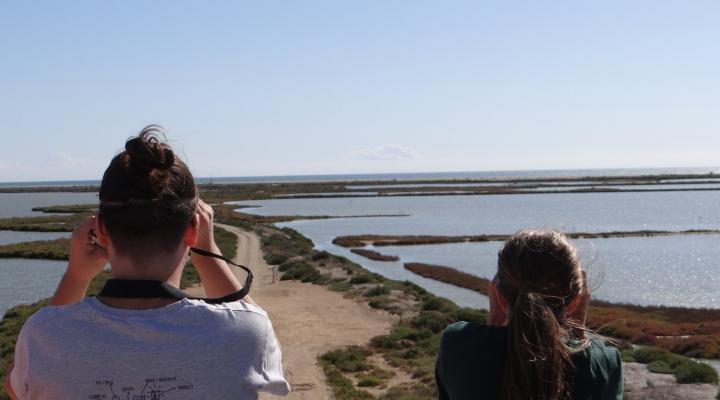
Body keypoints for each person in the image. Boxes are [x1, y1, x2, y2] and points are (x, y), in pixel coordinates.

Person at [5, 126, 291, 399]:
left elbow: (18, 390)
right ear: (193, 229)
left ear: (101, 230)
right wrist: (208, 250)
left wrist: (76, 277)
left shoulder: (43, 333)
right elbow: (265, 349)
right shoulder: (245, 331)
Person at [435, 229, 623, 400]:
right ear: (574, 302)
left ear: (500, 296)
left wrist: (494, 322)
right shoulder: (604, 363)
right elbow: (579, 362)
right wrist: (576, 331)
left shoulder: (458, 345)